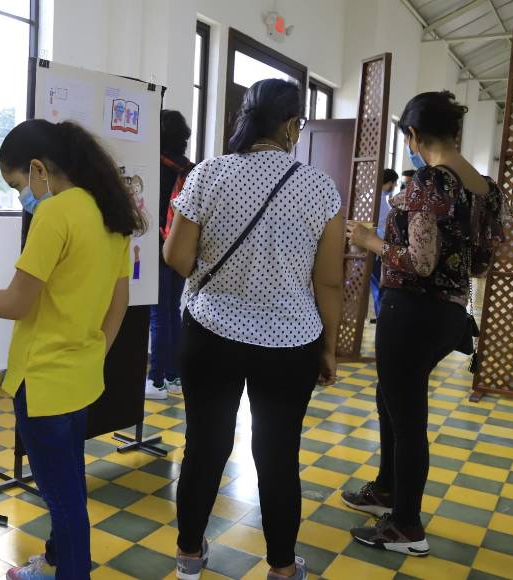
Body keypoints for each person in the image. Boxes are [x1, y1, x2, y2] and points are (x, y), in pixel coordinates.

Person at [0, 119, 145, 580]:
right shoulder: (110, 214)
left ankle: (72, 572)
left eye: (17, 185)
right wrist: (93, 351)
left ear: (37, 169)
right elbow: (119, 302)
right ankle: (55, 560)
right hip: (81, 379)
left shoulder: (55, 214)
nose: (21, 197)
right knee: (68, 487)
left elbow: (17, 302)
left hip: (44, 383)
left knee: (63, 498)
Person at [163, 79, 344, 580]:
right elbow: (328, 280)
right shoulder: (320, 188)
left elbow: (176, 257)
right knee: (278, 454)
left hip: (210, 334)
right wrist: (328, 349)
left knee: (205, 445)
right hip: (291, 344)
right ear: (290, 125)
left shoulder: (208, 174)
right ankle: (283, 567)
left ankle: (190, 557)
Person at [343, 91, 505, 556]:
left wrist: (371, 240)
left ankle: (406, 527)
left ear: (413, 135)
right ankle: (388, 489)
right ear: (456, 132)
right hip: (448, 314)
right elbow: (479, 263)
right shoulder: (487, 189)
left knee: (408, 417)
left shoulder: (429, 182)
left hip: (410, 310)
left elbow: (420, 261)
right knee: (392, 399)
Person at [145, 110, 194, 400]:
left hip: (154, 247)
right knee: (172, 311)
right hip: (180, 248)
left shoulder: (154, 168)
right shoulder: (188, 168)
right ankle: (174, 376)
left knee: (157, 313)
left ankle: (156, 380)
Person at [369, 168, 399, 322]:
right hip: (375, 246)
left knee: (375, 283)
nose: (393, 188)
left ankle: (379, 313)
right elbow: (382, 227)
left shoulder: (371, 196)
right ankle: (381, 314)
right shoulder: (380, 200)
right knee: (377, 282)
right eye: (393, 184)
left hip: (370, 244)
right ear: (389, 183)